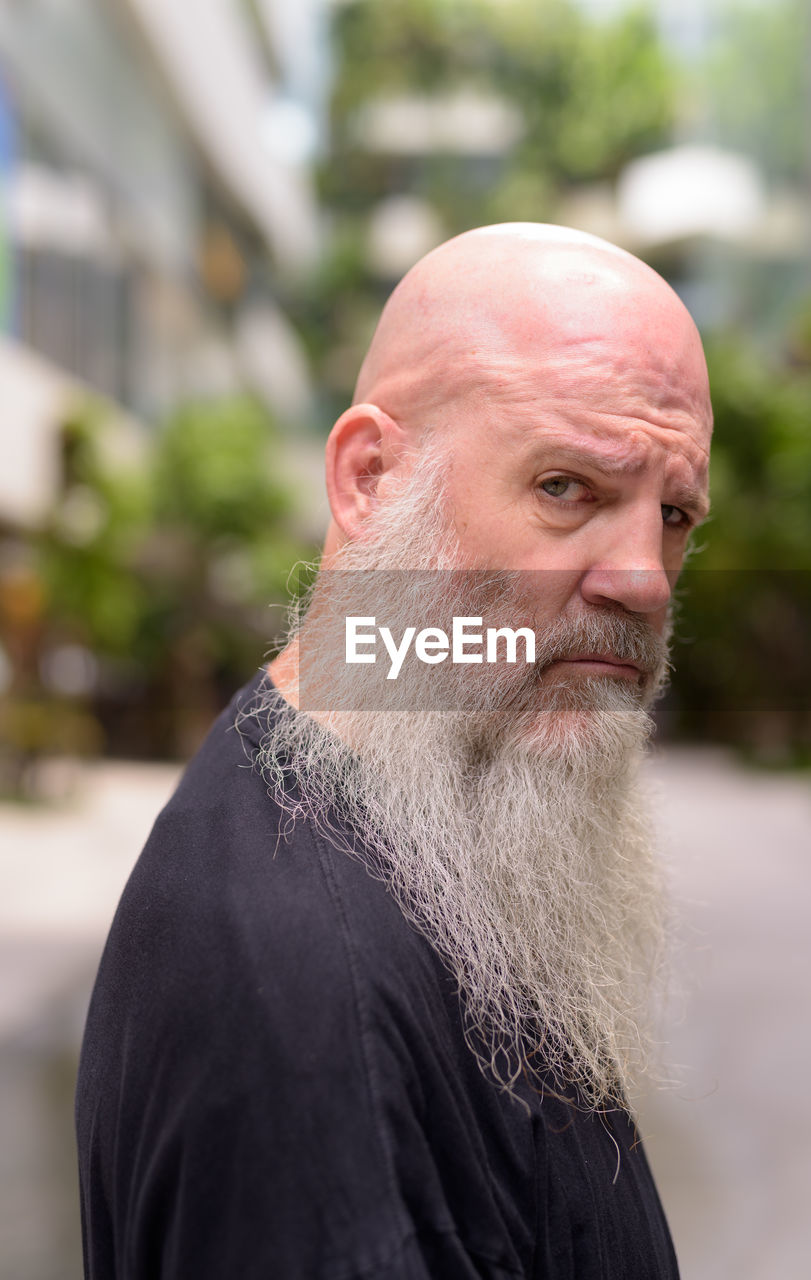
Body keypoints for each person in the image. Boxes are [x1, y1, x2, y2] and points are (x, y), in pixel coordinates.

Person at [76, 223, 712, 1279]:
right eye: (566, 487)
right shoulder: (303, 990)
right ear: (368, 477)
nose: (641, 577)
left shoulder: (438, 818)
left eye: (675, 511)